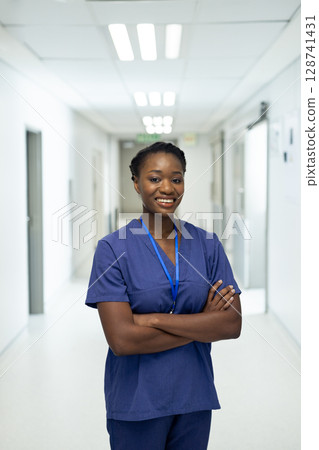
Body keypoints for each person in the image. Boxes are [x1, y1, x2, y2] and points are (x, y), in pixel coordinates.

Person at [85, 141, 242, 450]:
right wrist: (201, 324)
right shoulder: (113, 249)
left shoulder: (207, 245)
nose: (167, 187)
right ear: (136, 183)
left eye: (177, 177)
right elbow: (122, 340)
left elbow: (230, 326)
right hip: (136, 400)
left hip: (194, 396)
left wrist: (152, 320)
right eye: (155, 178)